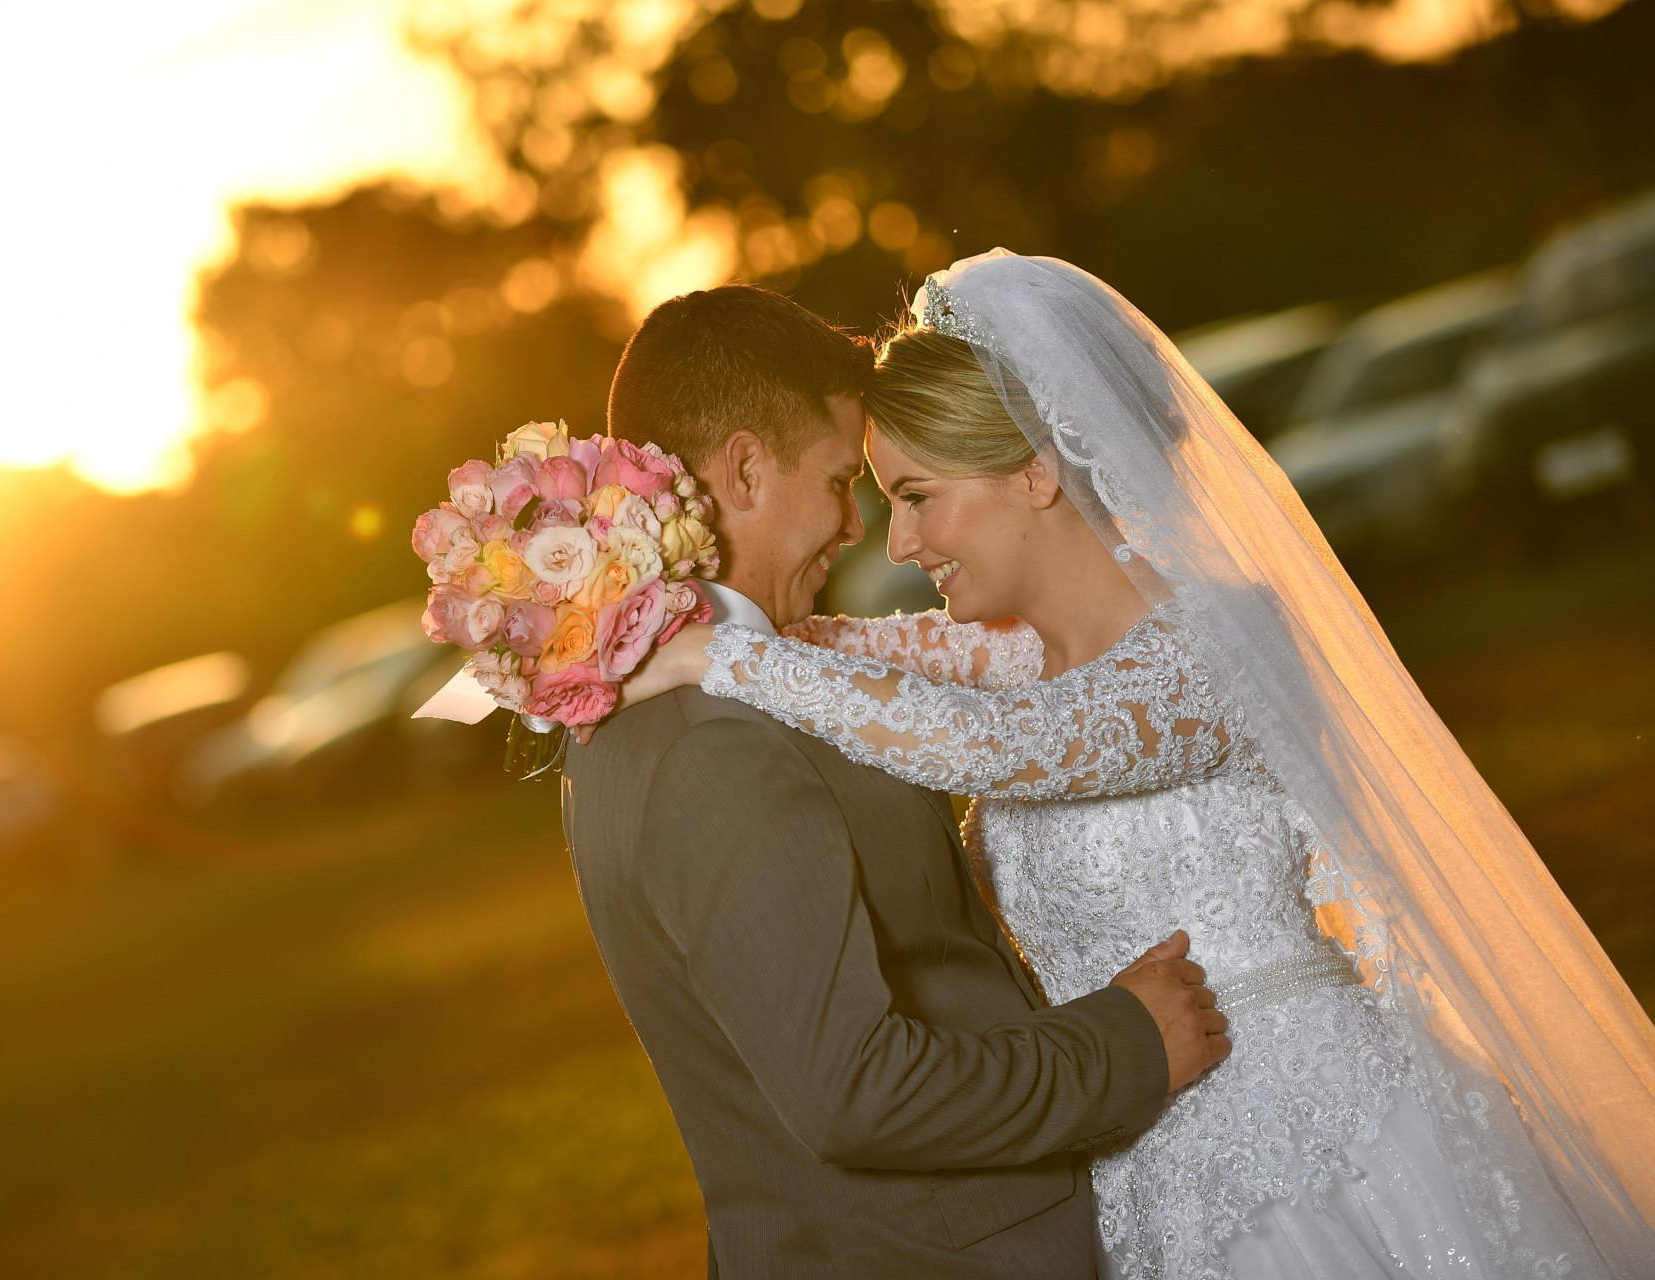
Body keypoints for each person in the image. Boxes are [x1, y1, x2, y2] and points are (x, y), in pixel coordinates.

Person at [625, 252, 1655, 1278]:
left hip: (1312, 1130)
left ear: (1036, 467)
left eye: (918, 496)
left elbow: (1003, 747)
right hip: (1131, 1163)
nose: (897, 542)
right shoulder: (1016, 654)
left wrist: (722, 653)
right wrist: (602, 610)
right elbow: (827, 650)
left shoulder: (1218, 643)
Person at [560, 282, 1229, 1278]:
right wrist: (1124, 1043)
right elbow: (856, 1088)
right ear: (744, 468)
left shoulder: (665, 689)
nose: (858, 529)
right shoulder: (716, 738)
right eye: (841, 480)